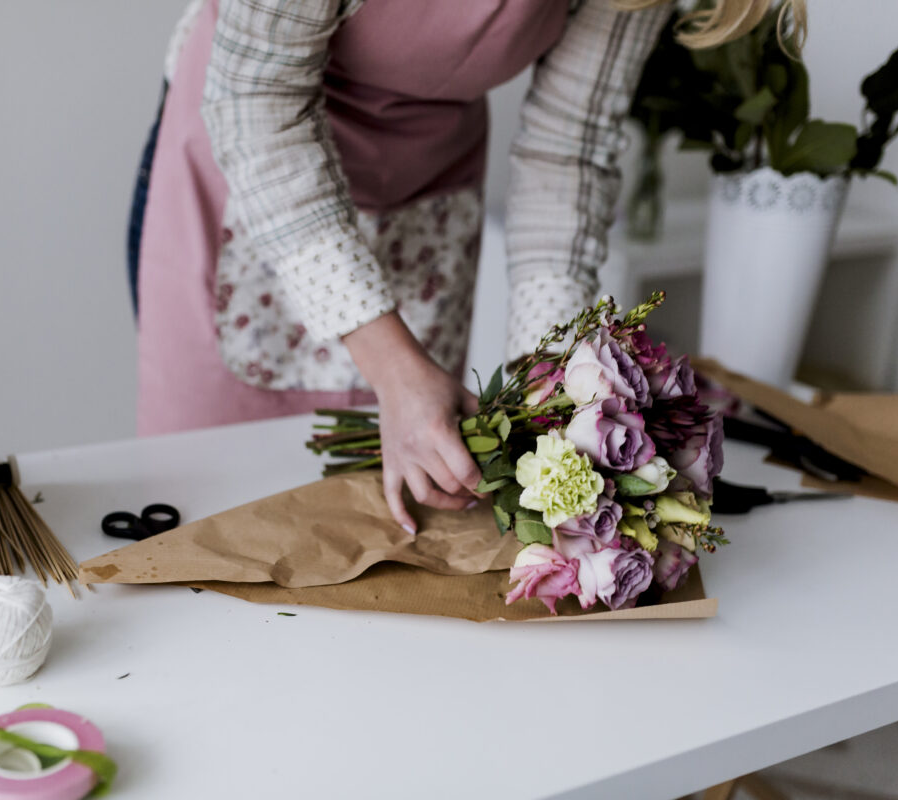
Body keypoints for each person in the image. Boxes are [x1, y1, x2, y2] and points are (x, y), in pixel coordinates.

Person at [128, 0, 805, 532]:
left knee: (409, 509)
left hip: (427, 198)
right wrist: (395, 367)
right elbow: (256, 100)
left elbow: (568, 149)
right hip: (253, 172)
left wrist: (551, 385)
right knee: (214, 510)